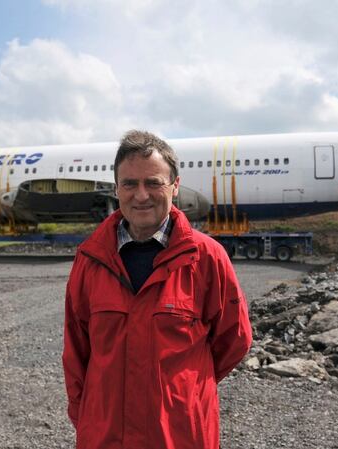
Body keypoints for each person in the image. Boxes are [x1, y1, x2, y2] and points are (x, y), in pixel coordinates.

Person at [62, 130, 252, 449]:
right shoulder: (90, 260)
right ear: (117, 189)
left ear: (174, 186)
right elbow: (77, 351)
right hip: (106, 436)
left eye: (153, 183)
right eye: (130, 184)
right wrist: (88, 416)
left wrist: (186, 393)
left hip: (180, 437)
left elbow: (233, 339)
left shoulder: (206, 258)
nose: (141, 195)